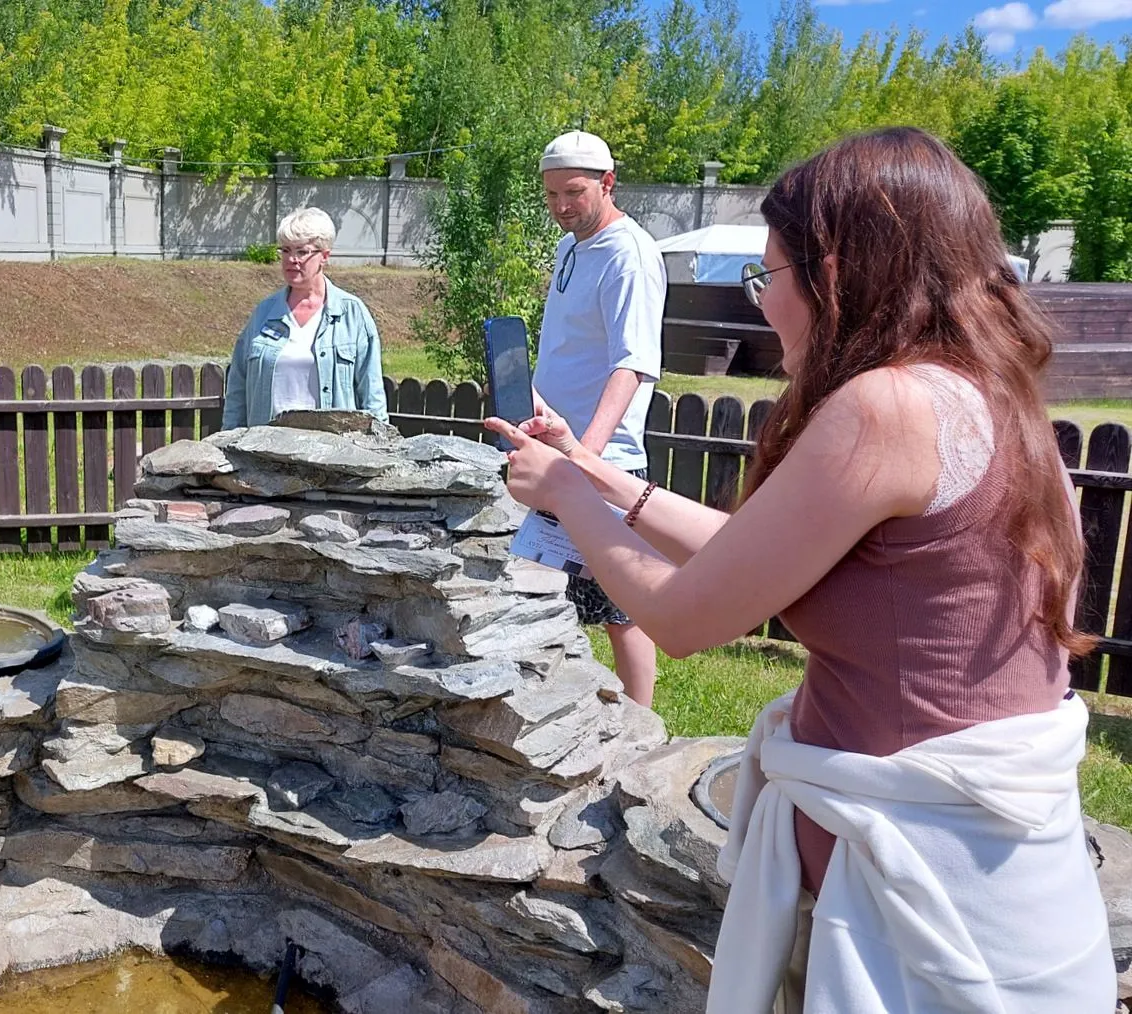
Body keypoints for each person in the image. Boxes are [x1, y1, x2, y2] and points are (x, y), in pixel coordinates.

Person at [486, 127, 1112, 1013]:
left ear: (838, 271)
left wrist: (564, 499)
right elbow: (752, 550)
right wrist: (594, 475)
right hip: (950, 892)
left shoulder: (887, 406)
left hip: (912, 926)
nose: (762, 307)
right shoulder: (983, 391)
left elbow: (688, 617)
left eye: (768, 277)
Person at [530, 130, 666, 707]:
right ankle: (551, 708)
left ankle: (642, 731)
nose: (562, 206)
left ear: (608, 183)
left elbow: (632, 365)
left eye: (575, 192)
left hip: (599, 461)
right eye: (553, 194)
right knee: (542, 589)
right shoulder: (571, 247)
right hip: (555, 451)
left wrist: (586, 456)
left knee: (622, 608)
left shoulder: (630, 255)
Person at [222, 206, 387, 429]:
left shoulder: (352, 314)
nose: (292, 259)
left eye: (302, 252)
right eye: (286, 250)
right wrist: (229, 440)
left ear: (324, 256)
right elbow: (237, 390)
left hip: (332, 453)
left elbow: (372, 393)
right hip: (266, 451)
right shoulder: (263, 313)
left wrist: (380, 447)